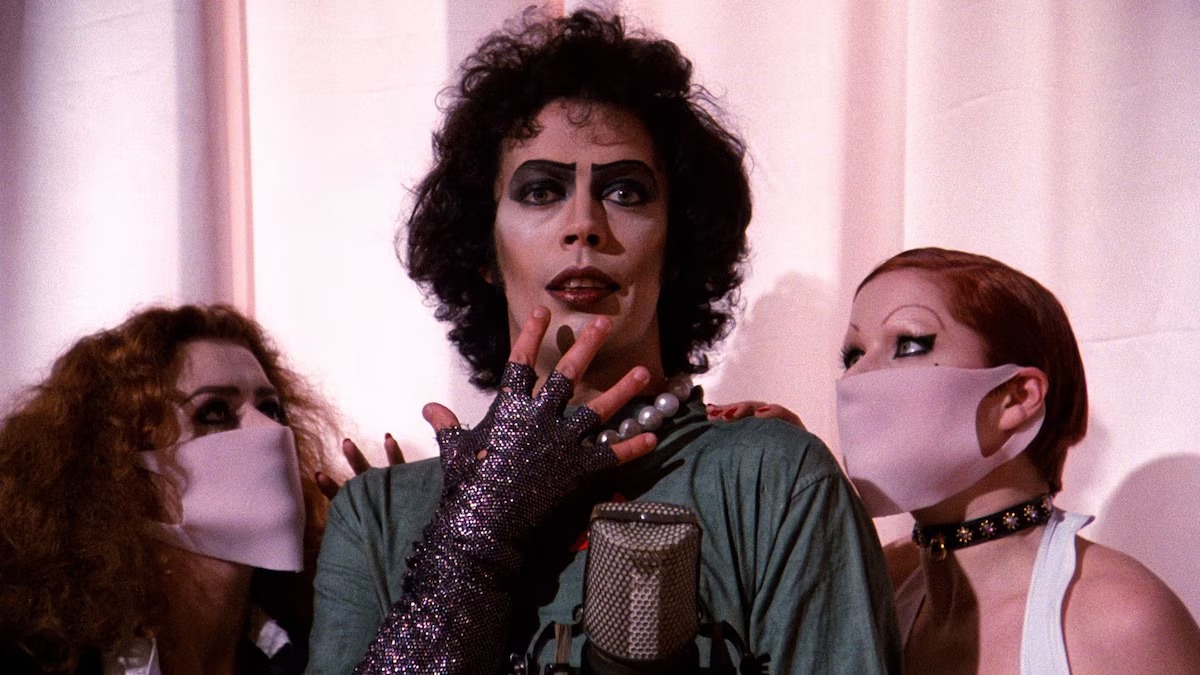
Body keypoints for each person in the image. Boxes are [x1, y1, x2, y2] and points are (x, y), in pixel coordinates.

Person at [311, 9, 899, 674]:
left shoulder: (772, 477)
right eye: (541, 190)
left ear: (676, 246)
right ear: (483, 249)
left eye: (625, 191)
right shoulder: (380, 514)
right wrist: (473, 539)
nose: (584, 224)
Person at [835, 247, 1200, 672]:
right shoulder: (873, 590)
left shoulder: (1119, 620)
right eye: (853, 355)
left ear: (1017, 397)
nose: (855, 377)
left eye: (909, 344)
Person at [0, 304, 337, 674]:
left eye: (272, 409)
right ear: (121, 463)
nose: (274, 431)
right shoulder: (37, 661)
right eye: (215, 412)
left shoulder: (320, 647)